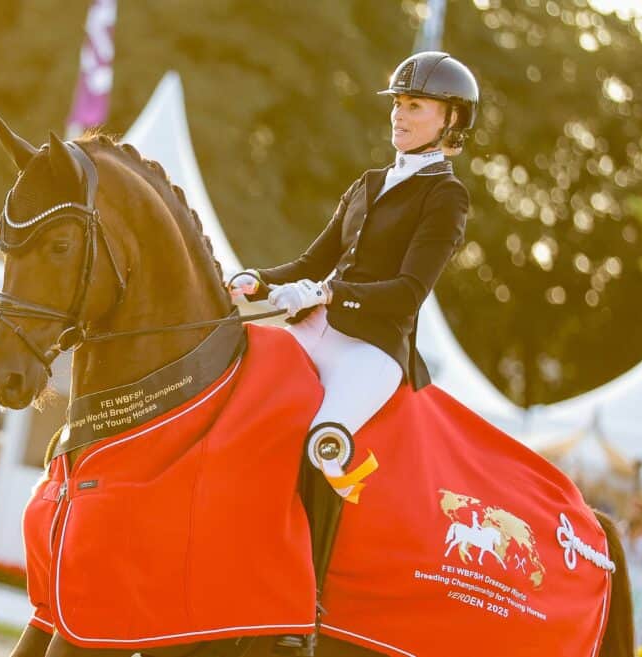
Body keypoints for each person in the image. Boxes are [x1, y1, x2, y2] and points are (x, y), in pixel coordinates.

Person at [229, 51, 478, 654]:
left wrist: (329, 293)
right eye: (397, 104)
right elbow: (311, 261)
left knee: (324, 440)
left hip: (371, 349)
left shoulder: (446, 197)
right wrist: (256, 279)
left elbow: (408, 293)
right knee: (237, 396)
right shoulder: (367, 184)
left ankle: (302, 606)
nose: (399, 115)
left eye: (414, 106)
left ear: (450, 120)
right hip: (316, 327)